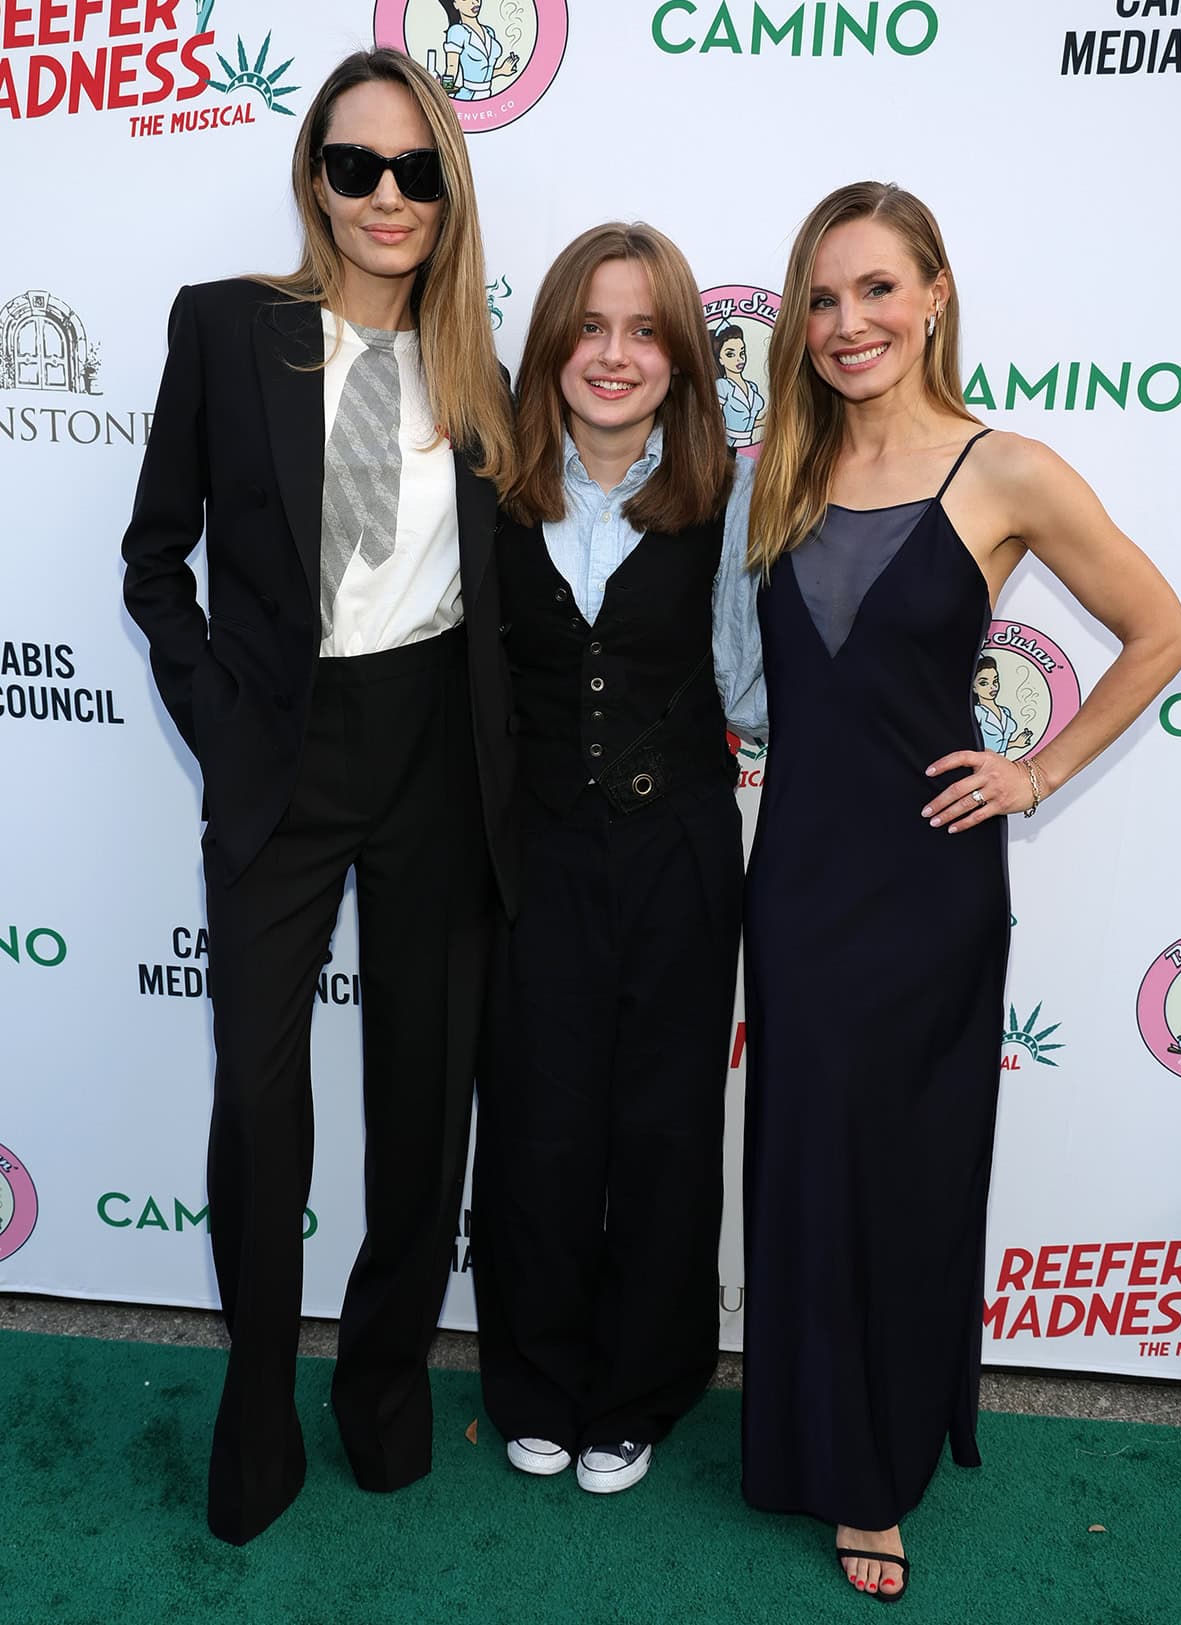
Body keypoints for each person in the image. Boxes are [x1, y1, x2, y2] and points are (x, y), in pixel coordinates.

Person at [741, 180, 1181, 1603]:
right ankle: (800, 1439)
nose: (847, 321)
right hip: (798, 878)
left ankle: (874, 1477)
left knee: (904, 1172)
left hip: (929, 887)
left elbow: (1159, 629)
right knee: (802, 1163)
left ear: (933, 294)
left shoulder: (1006, 471)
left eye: (876, 289)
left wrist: (1033, 772)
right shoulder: (783, 467)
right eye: (823, 298)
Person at [121, 48, 517, 1546]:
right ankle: (257, 1407)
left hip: (433, 750)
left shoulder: (486, 362)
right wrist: (220, 721)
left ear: (449, 189)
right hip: (280, 751)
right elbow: (156, 559)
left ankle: (386, 1395)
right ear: (315, 180)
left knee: (422, 1102)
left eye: (419, 170)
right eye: (359, 167)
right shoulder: (228, 331)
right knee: (258, 1099)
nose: (389, 197)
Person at [470, 223, 765, 1496]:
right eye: (590, 324)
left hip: (681, 853)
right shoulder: (488, 479)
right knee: (537, 1125)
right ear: (551, 342)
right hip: (530, 852)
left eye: (646, 329)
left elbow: (752, 683)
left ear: (683, 357)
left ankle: (640, 1387)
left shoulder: (730, 490)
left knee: (661, 1131)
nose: (614, 352)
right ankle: (533, 1379)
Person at [438, 0, 519, 100]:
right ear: (455, 4)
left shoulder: (489, 31)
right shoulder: (457, 31)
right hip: (468, 96)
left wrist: (502, 70)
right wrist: (443, 93)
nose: (474, 2)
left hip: (487, 95)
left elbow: (481, 72)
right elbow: (451, 68)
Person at [712, 320, 766, 448]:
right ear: (720, 359)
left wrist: (763, 422)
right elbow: (715, 421)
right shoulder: (722, 386)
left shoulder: (752, 387)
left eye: (742, 353)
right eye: (730, 354)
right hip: (729, 448)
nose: (739, 359)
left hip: (753, 446)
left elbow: (746, 422)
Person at [973, 653, 1033, 756]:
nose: (993, 687)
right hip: (984, 764)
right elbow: (978, 746)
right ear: (973, 687)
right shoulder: (977, 712)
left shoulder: (1005, 711)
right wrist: (1015, 743)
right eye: (984, 683)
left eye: (995, 681)